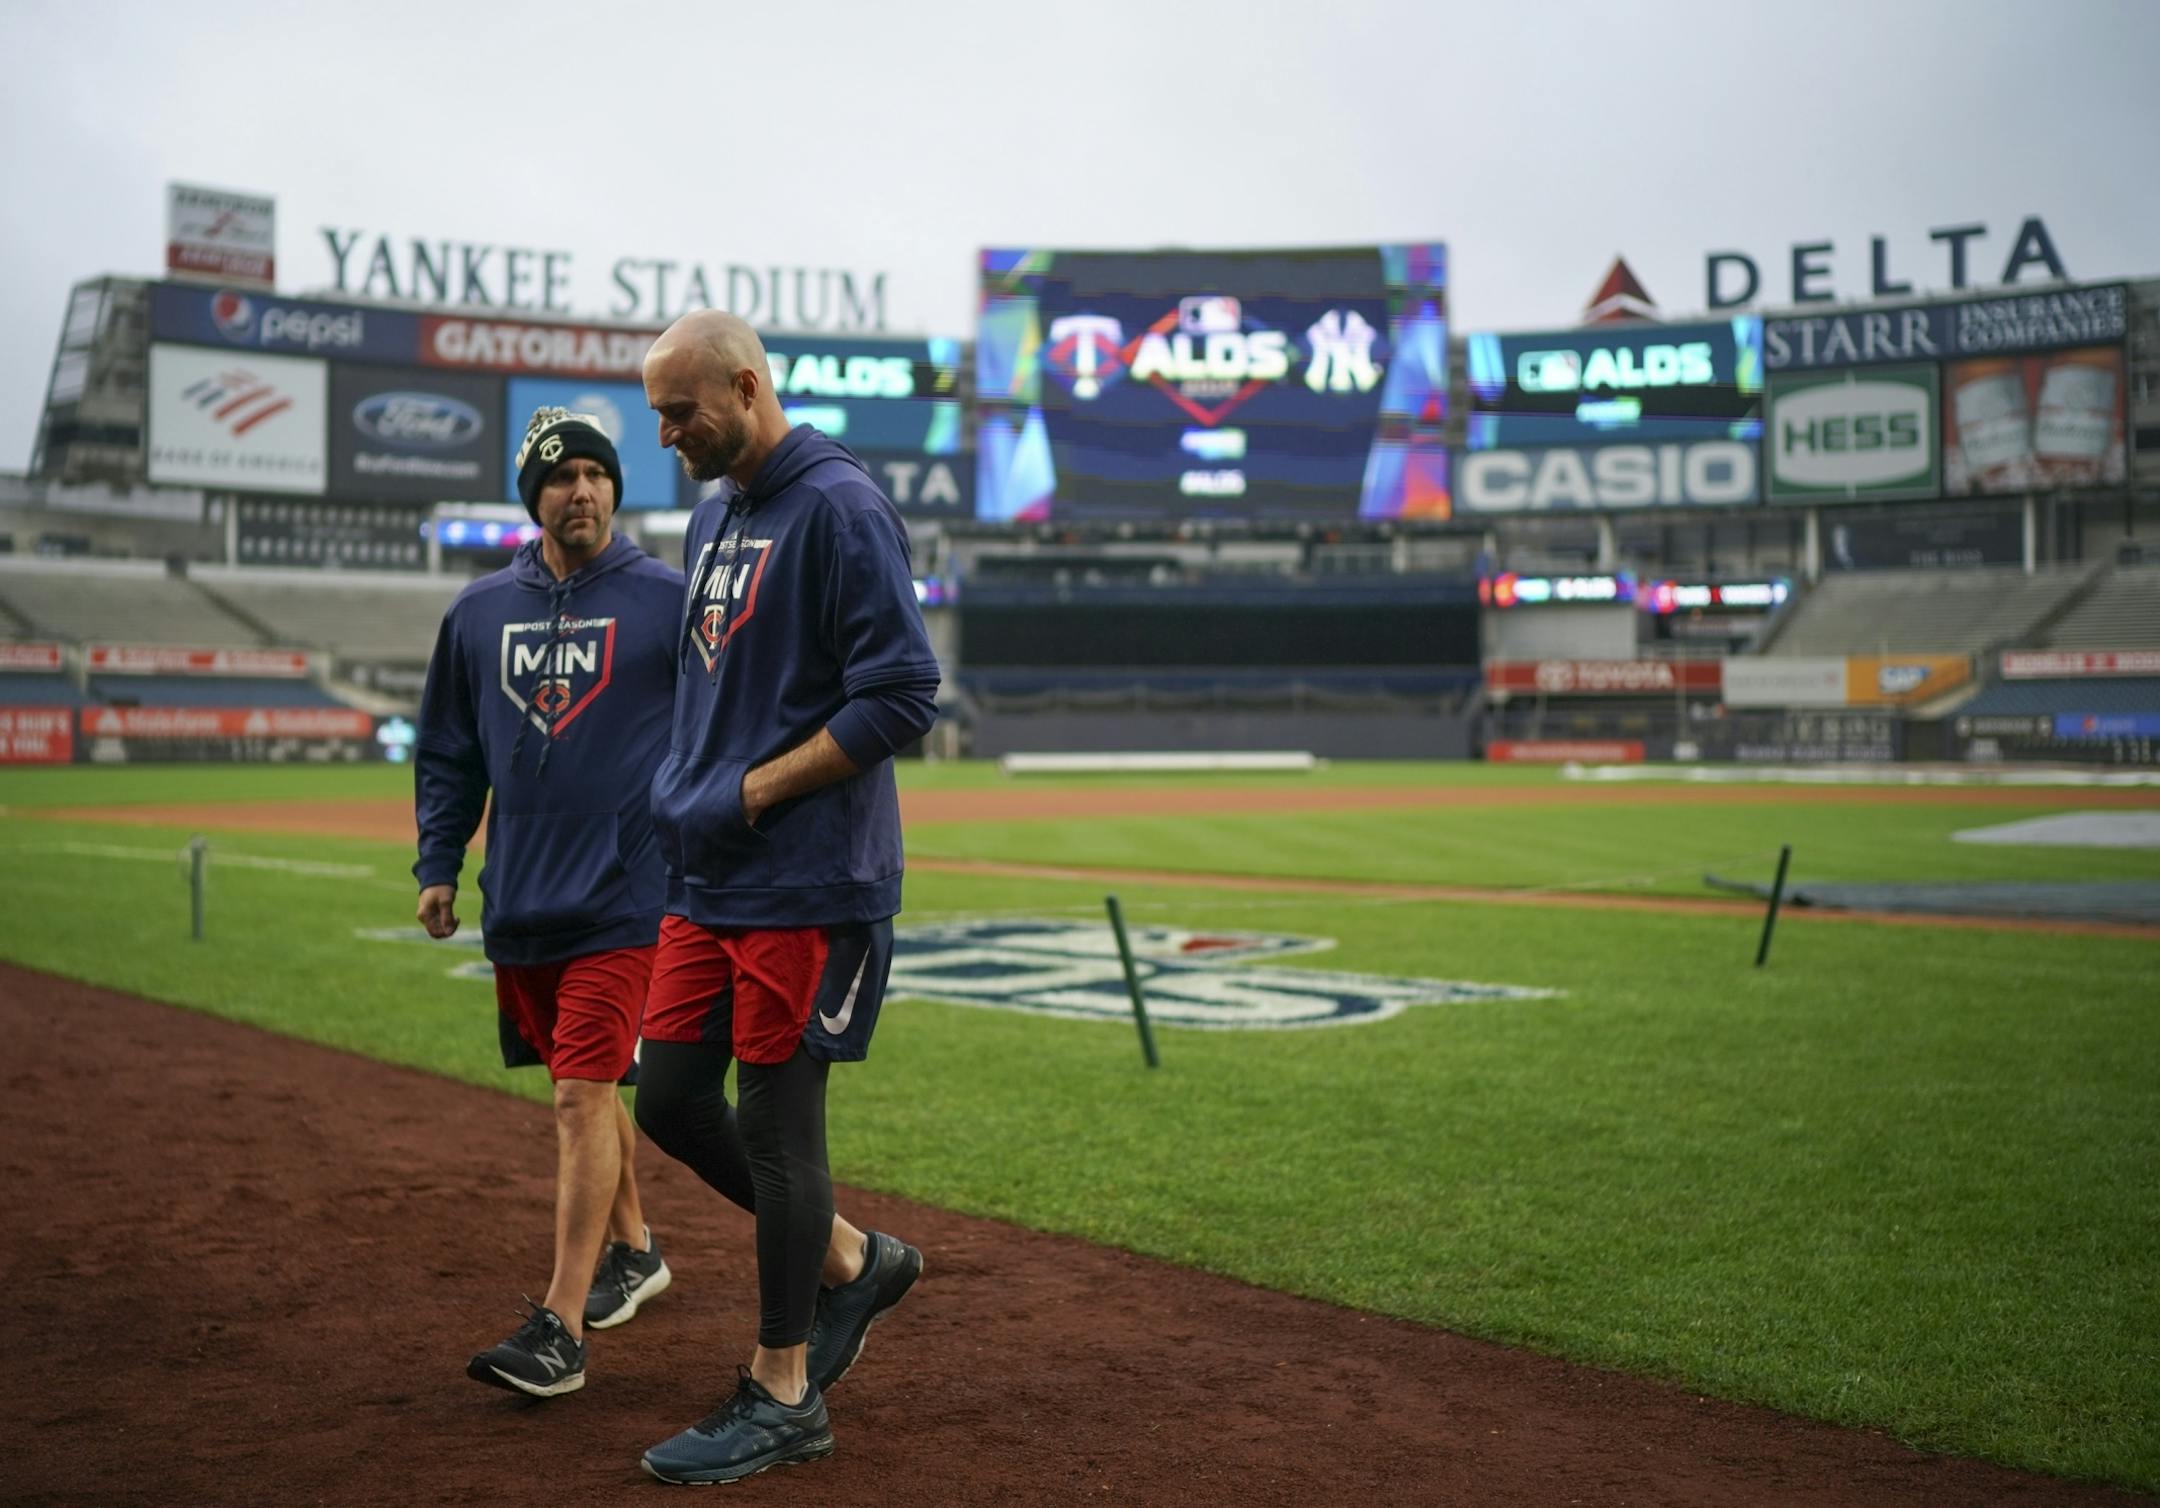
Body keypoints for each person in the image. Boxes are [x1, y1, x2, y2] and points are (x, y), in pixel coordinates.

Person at [630, 310, 940, 1485]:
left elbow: (904, 690)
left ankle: (782, 1386)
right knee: (665, 1098)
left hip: (807, 878)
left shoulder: (842, 506)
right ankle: (856, 1261)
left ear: (748, 388)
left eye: (681, 411)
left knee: (774, 1121)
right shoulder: (717, 512)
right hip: (711, 875)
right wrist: (686, 784)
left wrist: (753, 788)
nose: (665, 434)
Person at [413, 407, 685, 1398]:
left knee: (581, 1091)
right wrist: (438, 861)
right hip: (519, 899)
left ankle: (560, 1325)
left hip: (625, 894)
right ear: (533, 494)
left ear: (617, 488)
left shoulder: (666, 599)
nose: (582, 489)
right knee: (586, 1087)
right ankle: (638, 1248)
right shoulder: (477, 613)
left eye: (597, 473)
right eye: (561, 474)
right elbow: (447, 749)